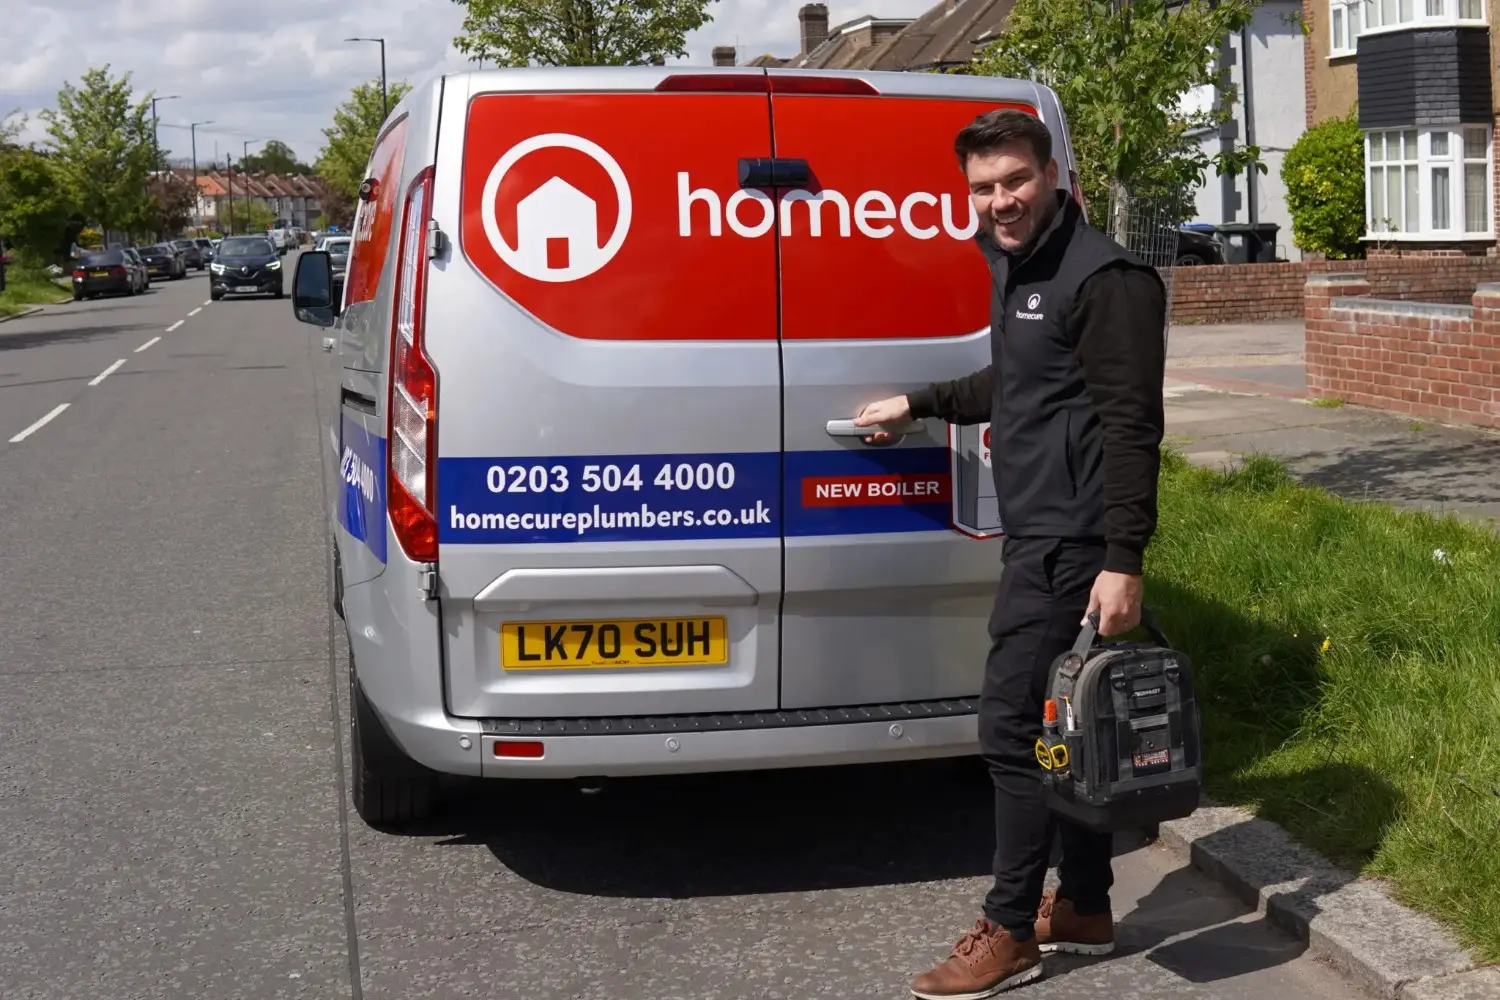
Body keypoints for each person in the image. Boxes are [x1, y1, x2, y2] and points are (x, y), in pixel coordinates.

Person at [854, 109, 1166, 998]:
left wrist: (1123, 557)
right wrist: (920, 401)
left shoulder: (1105, 278)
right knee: (1071, 725)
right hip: (1043, 531)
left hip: (1074, 544)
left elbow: (1133, 426)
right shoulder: (1022, 267)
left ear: (1054, 174)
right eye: (984, 188)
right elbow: (1019, 377)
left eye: (1014, 182)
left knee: (1010, 732)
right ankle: (1087, 905)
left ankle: (1008, 927)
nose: (1000, 201)